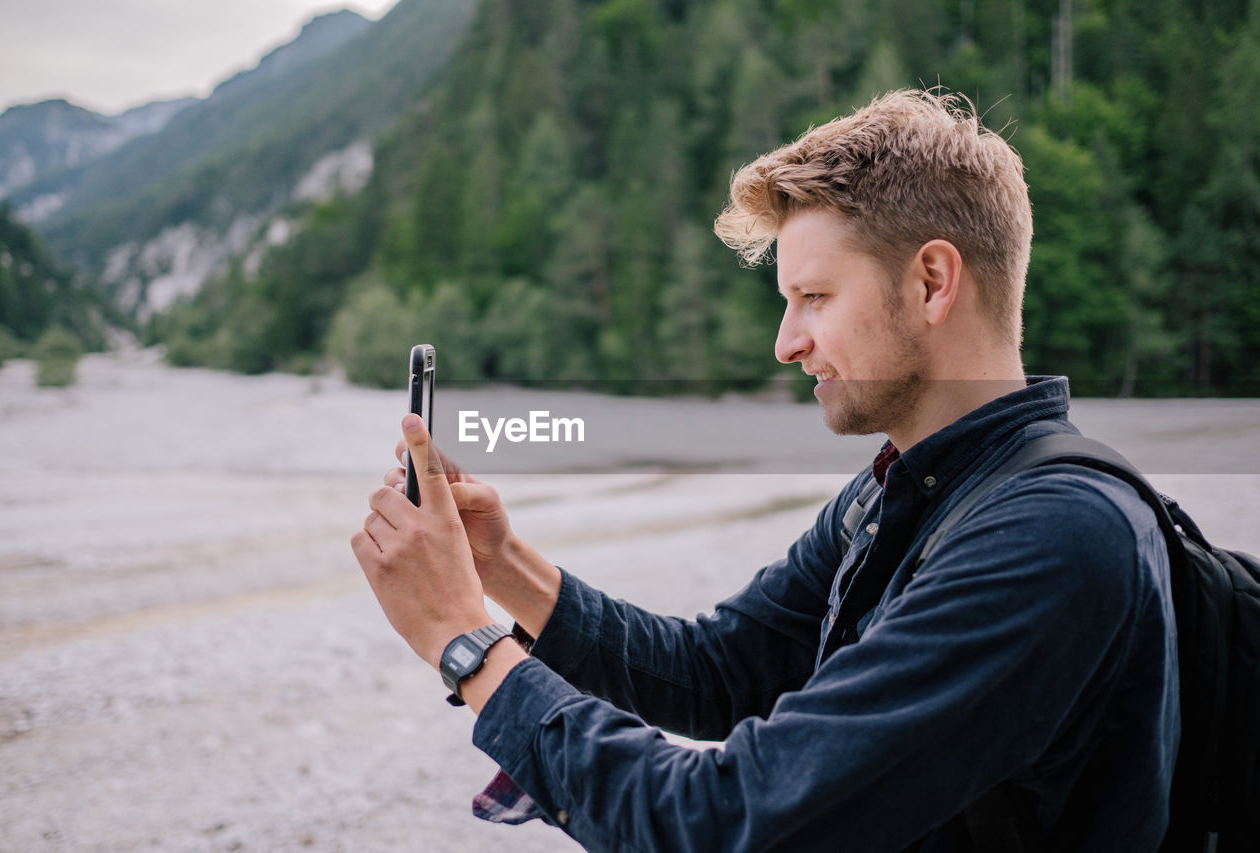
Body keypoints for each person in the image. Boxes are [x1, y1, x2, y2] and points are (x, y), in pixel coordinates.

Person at [351, 90, 1178, 851]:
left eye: (814, 298)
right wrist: (502, 565)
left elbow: (731, 822)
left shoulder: (1054, 538)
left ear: (932, 282)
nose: (786, 343)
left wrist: (466, 642)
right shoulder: (905, 490)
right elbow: (714, 670)